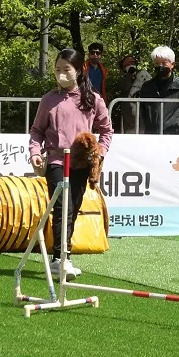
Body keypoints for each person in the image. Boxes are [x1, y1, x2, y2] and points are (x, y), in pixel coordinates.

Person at [29, 48, 113, 279]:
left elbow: (106, 130)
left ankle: (62, 256)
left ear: (79, 70)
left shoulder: (93, 99)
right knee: (61, 208)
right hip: (56, 159)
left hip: (81, 163)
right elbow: (37, 131)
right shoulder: (49, 99)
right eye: (57, 70)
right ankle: (60, 258)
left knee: (73, 208)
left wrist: (100, 153)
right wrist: (35, 152)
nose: (61, 74)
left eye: (66, 70)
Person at [138, 45, 179, 135]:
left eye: (164, 63)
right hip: (151, 136)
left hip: (174, 137)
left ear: (172, 64)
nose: (160, 66)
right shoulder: (147, 87)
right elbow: (143, 113)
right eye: (157, 63)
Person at [115, 53, 152, 134]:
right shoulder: (122, 80)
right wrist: (129, 75)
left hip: (143, 115)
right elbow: (125, 88)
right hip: (129, 117)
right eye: (128, 64)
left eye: (133, 63)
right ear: (124, 67)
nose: (131, 65)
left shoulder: (142, 76)